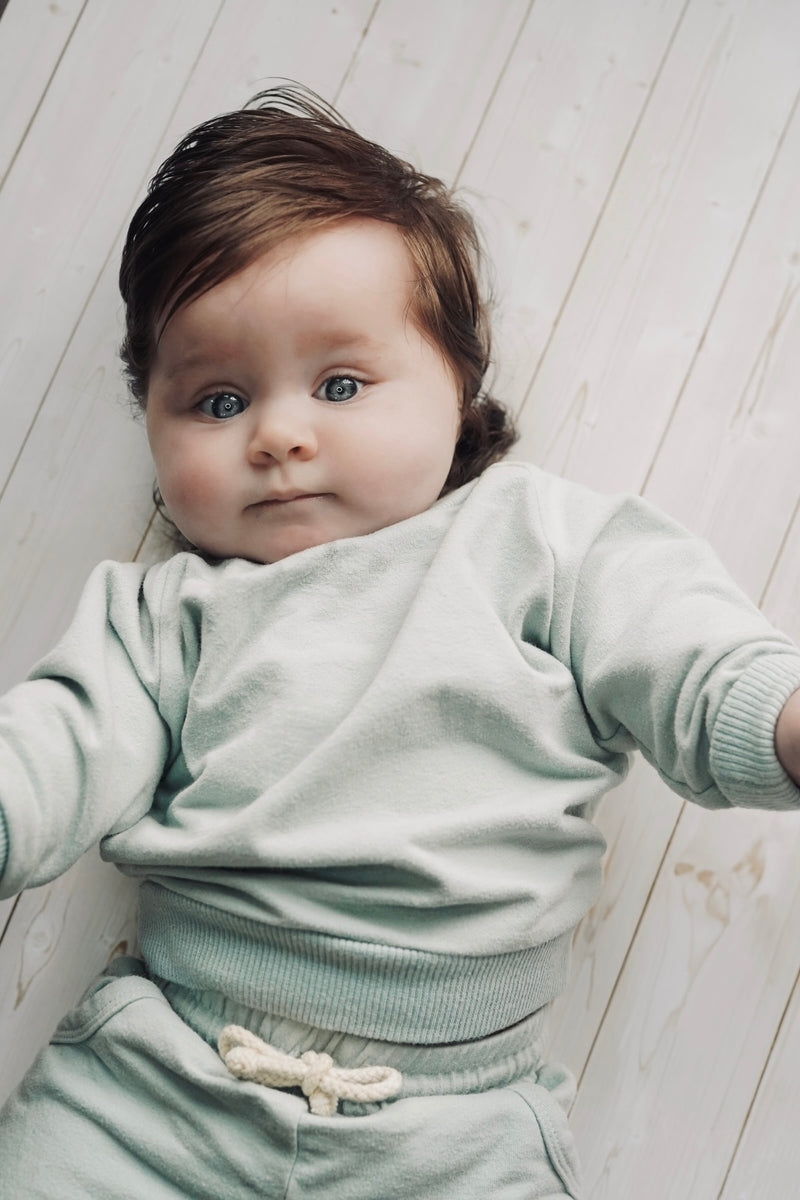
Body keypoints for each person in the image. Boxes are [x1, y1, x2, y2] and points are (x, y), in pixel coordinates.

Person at [0, 85, 799, 1200]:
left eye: (339, 384)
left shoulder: (545, 550)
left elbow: (687, 662)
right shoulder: (160, 619)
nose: (278, 434)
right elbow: (51, 752)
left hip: (457, 1132)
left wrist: (778, 717)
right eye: (217, 401)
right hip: (159, 1090)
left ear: (456, 383)